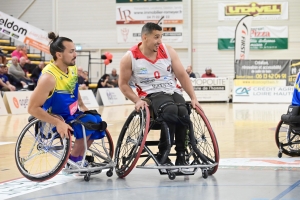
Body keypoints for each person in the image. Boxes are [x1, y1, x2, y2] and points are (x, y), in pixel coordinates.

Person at [119, 22, 201, 166]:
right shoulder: (130, 57)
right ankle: (164, 151)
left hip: (172, 90)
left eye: (161, 37)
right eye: (156, 37)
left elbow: (182, 75)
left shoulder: (168, 50)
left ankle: (181, 153)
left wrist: (193, 97)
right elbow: (123, 84)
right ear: (145, 37)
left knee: (183, 111)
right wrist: (136, 100)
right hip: (150, 95)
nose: (160, 41)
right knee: (170, 110)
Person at [28, 32, 106, 168]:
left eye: (75, 50)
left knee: (97, 120)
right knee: (88, 123)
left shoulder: (72, 69)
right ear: (59, 55)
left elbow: (73, 90)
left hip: (72, 114)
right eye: (71, 51)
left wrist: (83, 106)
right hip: (53, 119)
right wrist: (57, 122)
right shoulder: (49, 77)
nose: (75, 54)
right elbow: (32, 108)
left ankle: (79, 157)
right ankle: (74, 161)